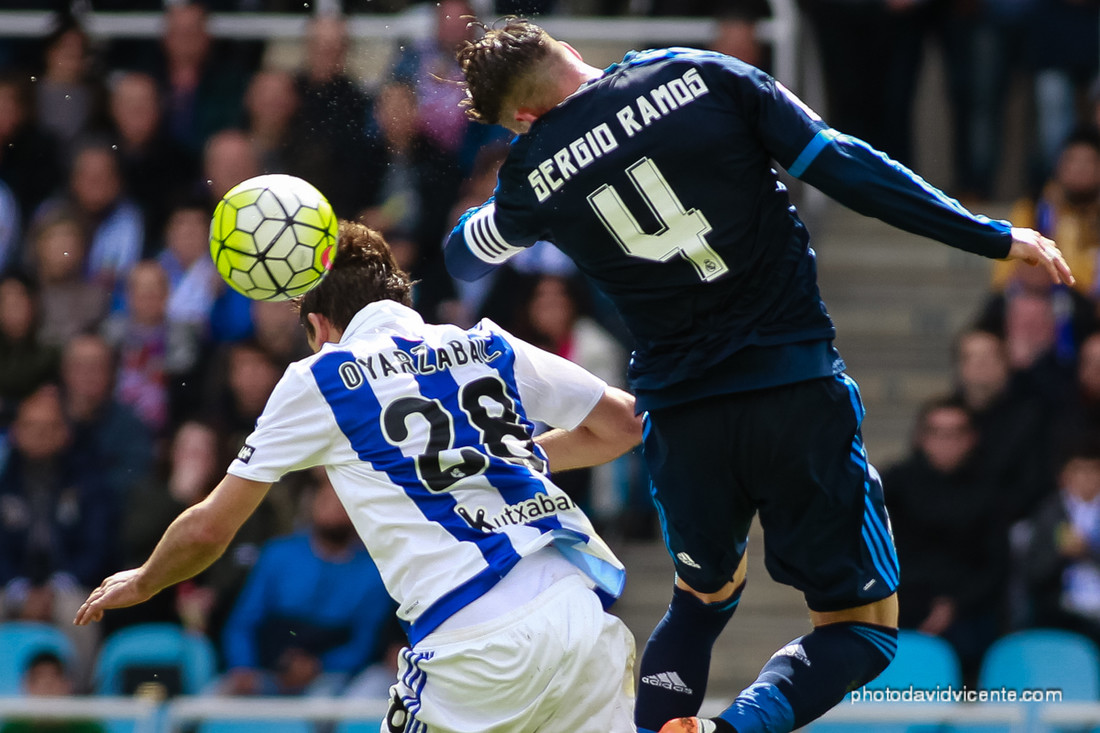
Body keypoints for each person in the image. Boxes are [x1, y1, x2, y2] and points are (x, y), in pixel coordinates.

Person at [443, 19, 1074, 733]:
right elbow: (843, 166)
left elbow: (463, 255)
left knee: (702, 597)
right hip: (793, 389)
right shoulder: (698, 75)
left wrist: (506, 203)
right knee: (862, 629)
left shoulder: (532, 174)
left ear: (522, 116)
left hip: (683, 420)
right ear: (568, 52)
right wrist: (991, 234)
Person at [75, 221, 641, 733]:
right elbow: (623, 427)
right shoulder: (486, 342)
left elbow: (209, 530)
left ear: (321, 326)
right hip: (580, 618)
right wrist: (508, 458)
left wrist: (146, 579)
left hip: (475, 648)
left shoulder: (321, 376)